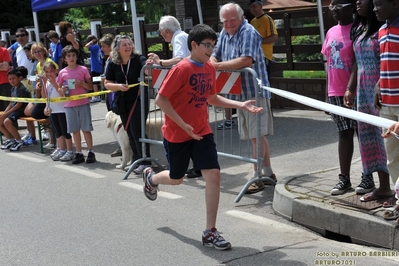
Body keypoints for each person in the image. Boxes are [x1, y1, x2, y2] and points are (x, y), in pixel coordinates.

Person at [143, 24, 263, 250]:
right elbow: (161, 100)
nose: (211, 49)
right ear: (194, 45)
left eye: (213, 45)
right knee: (177, 178)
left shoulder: (209, 68)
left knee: (214, 175)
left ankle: (210, 231)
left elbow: (212, 98)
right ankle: (152, 179)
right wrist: (183, 125)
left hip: (201, 130)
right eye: (206, 45)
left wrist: (240, 105)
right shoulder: (181, 69)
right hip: (178, 133)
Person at [211, 2, 276, 194]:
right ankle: (268, 173)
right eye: (225, 21)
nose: (229, 24)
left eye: (232, 20)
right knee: (256, 136)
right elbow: (215, 54)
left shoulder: (248, 32)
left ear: (241, 17)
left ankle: (258, 176)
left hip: (253, 92)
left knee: (256, 136)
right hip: (239, 93)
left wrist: (218, 66)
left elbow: (246, 60)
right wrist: (215, 62)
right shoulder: (224, 33)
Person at [343, 0, 393, 201]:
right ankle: (383, 187)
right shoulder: (361, 29)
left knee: (387, 139)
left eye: (362, 0)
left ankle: (395, 189)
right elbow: (356, 62)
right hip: (363, 92)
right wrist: (350, 87)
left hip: (381, 91)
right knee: (369, 138)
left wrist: (380, 84)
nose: (357, 3)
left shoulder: (382, 29)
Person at [147, 15, 200, 179]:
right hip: (190, 86)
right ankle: (196, 165)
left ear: (167, 31)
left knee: (178, 124)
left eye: (161, 32)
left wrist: (161, 62)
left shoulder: (178, 37)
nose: (161, 35)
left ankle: (178, 165)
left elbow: (179, 59)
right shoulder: (182, 36)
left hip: (185, 89)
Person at [321, 0, 359, 195]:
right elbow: (329, 64)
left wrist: (350, 88)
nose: (334, 10)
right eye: (331, 6)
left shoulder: (359, 29)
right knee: (343, 133)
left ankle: (367, 176)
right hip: (336, 91)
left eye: (339, 5)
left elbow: (358, 62)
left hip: (357, 91)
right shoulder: (331, 32)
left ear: (351, 7)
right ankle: (344, 179)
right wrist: (327, 94)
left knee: (363, 133)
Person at [104, 35, 151, 174]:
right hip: (123, 101)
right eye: (124, 45)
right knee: (129, 131)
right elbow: (107, 83)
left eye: (129, 43)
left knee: (138, 131)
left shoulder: (138, 59)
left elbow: (147, 70)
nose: (128, 47)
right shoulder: (113, 63)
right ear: (117, 49)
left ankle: (145, 161)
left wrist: (149, 66)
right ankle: (136, 159)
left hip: (139, 99)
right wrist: (118, 86)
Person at [374, 0, 399, 221]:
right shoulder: (382, 30)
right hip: (388, 103)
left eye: (379, 4)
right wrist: (378, 84)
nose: (375, 9)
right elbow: (387, 62)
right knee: (392, 156)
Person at [56, 45, 96, 164]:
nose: (71, 58)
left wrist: (82, 84)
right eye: (69, 56)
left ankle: (91, 151)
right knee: (74, 130)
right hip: (69, 105)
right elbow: (59, 89)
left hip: (83, 103)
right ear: (64, 59)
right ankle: (79, 152)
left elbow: (91, 87)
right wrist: (62, 90)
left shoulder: (83, 69)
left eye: (73, 55)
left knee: (86, 129)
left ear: (76, 57)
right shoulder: (62, 72)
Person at [41, 61, 74, 161]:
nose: (49, 74)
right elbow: (45, 96)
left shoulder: (59, 80)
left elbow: (62, 94)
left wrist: (54, 83)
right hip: (53, 109)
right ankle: (61, 148)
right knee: (57, 131)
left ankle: (70, 150)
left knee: (65, 131)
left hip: (62, 109)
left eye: (51, 71)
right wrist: (46, 107)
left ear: (56, 71)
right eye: (47, 72)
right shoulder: (46, 82)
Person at [0, 68, 31, 151]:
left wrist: (6, 114)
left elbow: (19, 104)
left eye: (13, 78)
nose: (11, 81)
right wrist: (4, 113)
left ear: (19, 78)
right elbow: (11, 103)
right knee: (0, 120)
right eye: (9, 79)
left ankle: (19, 141)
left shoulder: (22, 88)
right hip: (15, 109)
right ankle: (11, 139)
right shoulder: (13, 88)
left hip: (21, 110)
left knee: (7, 121)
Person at [249, 0, 278, 81]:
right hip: (254, 55)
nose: (253, 9)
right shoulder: (253, 21)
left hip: (265, 55)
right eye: (251, 7)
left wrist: (258, 42)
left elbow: (274, 37)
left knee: (264, 80)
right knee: (256, 80)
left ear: (261, 6)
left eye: (254, 6)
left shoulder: (267, 19)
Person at [85, 35, 103, 103]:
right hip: (99, 67)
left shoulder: (94, 47)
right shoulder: (98, 47)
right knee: (98, 81)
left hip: (95, 67)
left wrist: (91, 41)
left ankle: (96, 96)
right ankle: (101, 94)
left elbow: (86, 46)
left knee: (94, 82)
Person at [0, 43, 12, 111]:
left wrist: (3, 65)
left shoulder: (4, 50)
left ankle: (11, 121)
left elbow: (5, 67)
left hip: (5, 82)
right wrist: (1, 64)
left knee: (7, 106)